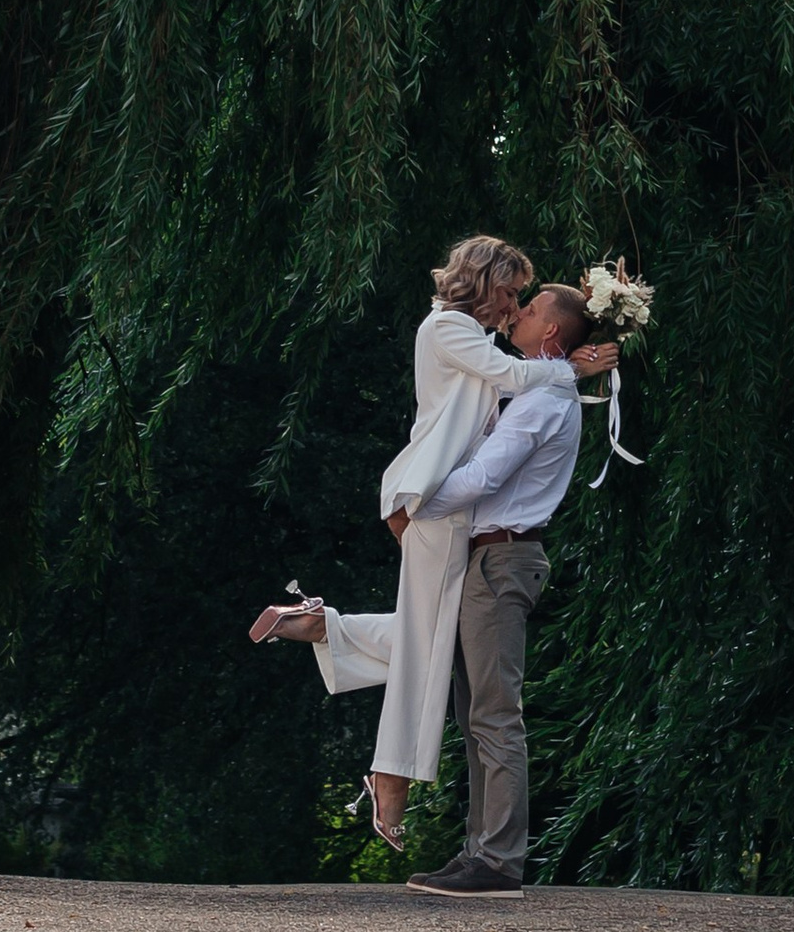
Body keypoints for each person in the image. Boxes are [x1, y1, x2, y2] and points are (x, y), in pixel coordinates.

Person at [247, 236, 615, 854]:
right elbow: (515, 378)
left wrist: (569, 361)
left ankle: (327, 633)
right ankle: (390, 775)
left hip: (440, 500)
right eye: (511, 292)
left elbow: (506, 393)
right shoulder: (449, 329)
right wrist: (573, 368)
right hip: (437, 499)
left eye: (524, 300)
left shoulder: (471, 337)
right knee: (429, 640)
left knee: (432, 637)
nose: (514, 306)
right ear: (485, 283)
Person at [402, 278, 596, 898]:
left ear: (551, 330)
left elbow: (484, 476)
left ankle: (499, 860)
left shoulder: (542, 401)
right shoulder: (540, 388)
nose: (517, 313)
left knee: (493, 713)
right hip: (492, 557)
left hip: (501, 558)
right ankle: (480, 852)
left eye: (530, 309)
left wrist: (414, 504)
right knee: (475, 714)